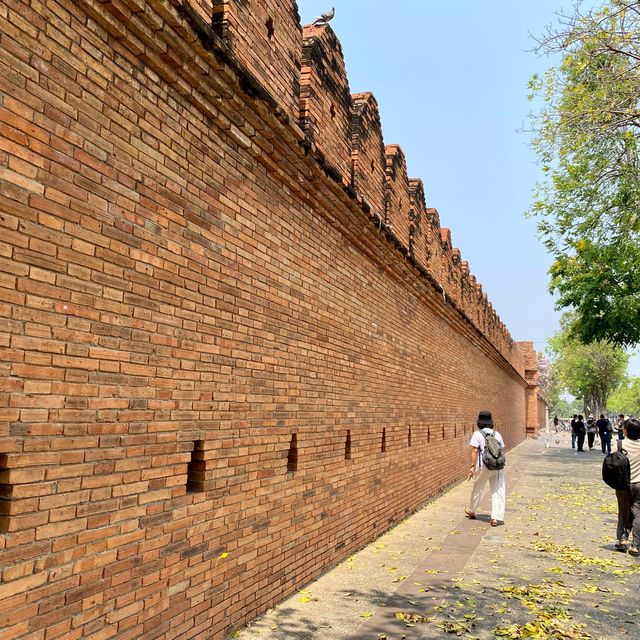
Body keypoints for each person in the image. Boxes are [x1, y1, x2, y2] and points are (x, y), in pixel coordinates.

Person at [465, 410, 506, 527]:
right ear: (491, 422)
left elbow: (474, 451)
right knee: (498, 491)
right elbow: (501, 449)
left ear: (479, 422)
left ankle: (472, 510)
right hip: (497, 466)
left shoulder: (477, 434)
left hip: (483, 466)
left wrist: (472, 466)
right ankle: (495, 518)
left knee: (477, 488)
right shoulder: (497, 434)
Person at [617, 419, 640, 555]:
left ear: (625, 430)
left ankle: (623, 540)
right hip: (639, 484)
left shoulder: (620, 444)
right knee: (638, 514)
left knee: (623, 511)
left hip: (623, 484)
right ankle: (636, 546)